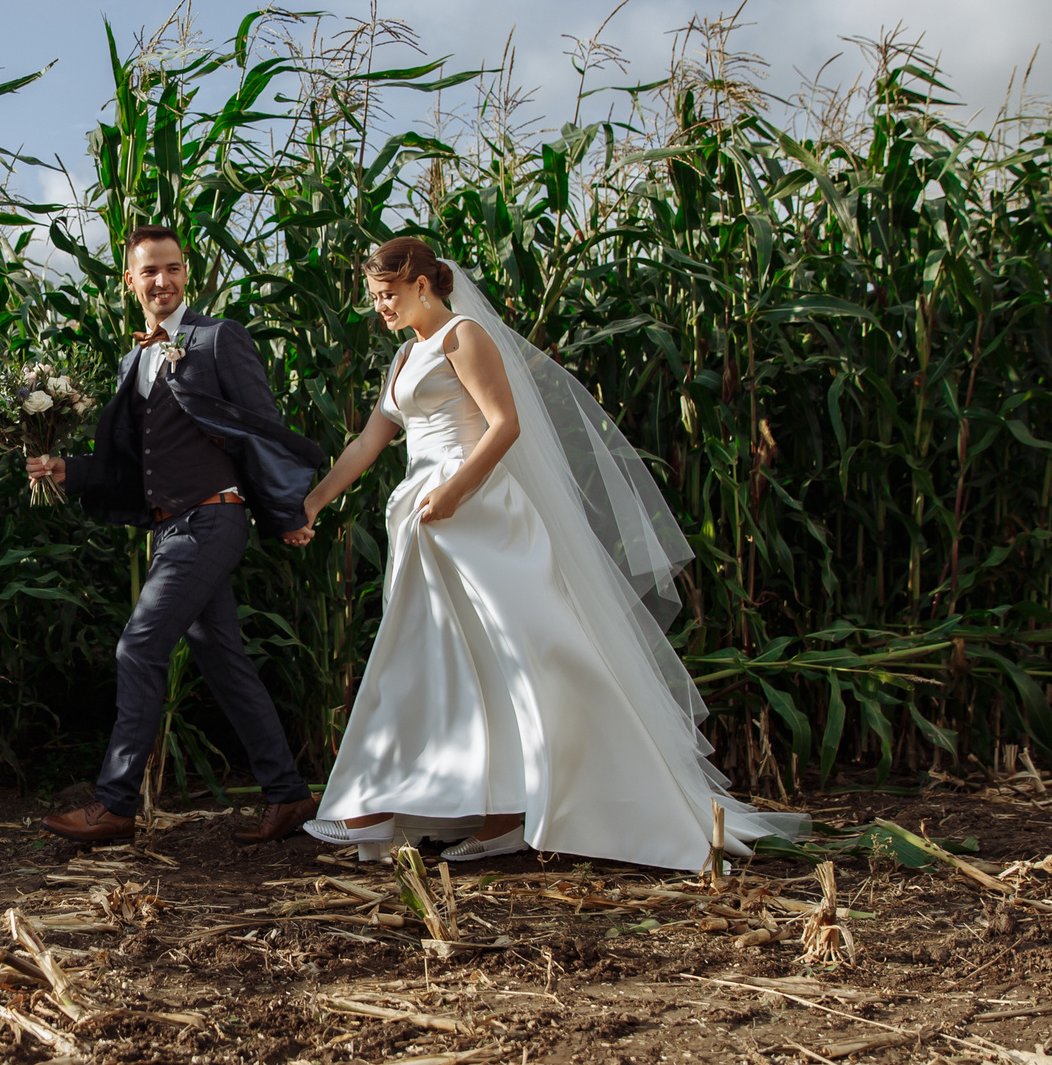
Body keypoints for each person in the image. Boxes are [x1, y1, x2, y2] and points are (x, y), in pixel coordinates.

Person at [286, 236, 804, 869]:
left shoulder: (463, 336)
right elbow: (369, 441)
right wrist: (313, 503)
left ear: (422, 283)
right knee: (444, 657)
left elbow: (504, 423)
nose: (381, 308)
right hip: (426, 517)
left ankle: (450, 807)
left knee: (522, 653)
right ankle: (467, 807)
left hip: (475, 511)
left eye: (387, 295)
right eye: (374, 298)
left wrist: (452, 491)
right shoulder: (403, 356)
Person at [26, 227, 329, 848]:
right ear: (129, 282)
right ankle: (289, 795)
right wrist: (68, 470)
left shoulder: (217, 339)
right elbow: (134, 462)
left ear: (186, 273)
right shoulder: (133, 359)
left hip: (212, 520)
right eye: (148, 271)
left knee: (138, 646)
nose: (161, 280)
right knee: (224, 661)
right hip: (170, 531)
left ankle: (115, 803)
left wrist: (287, 511)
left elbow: (262, 428)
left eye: (172, 268)